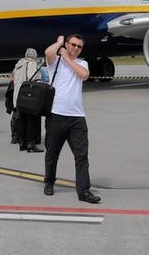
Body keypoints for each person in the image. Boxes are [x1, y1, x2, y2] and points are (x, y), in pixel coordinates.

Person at [42, 34, 100, 204]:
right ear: (67, 44)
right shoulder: (55, 62)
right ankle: (49, 182)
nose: (75, 48)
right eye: (72, 44)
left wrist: (67, 58)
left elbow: (84, 75)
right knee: (52, 153)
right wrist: (59, 43)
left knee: (82, 156)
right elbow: (47, 52)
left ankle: (84, 191)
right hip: (56, 114)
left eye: (79, 46)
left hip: (77, 117)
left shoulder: (82, 63)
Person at [12, 48, 44, 153]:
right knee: (32, 120)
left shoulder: (18, 65)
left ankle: (22, 143)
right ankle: (31, 143)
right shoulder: (32, 64)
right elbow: (34, 79)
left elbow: (14, 79)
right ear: (34, 56)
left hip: (18, 97)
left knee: (22, 120)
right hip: (28, 97)